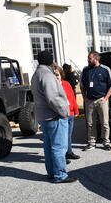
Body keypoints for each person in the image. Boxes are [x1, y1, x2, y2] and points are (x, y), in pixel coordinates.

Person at [31, 51, 77, 184]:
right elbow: (53, 98)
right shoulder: (47, 75)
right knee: (59, 147)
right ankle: (60, 175)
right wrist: (64, 111)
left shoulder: (36, 74)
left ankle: (52, 173)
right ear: (51, 61)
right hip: (54, 116)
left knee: (49, 146)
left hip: (44, 116)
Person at [80, 51, 111, 151]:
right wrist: (84, 97)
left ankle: (106, 142)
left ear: (96, 59)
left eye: (89, 58)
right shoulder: (85, 70)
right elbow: (82, 85)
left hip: (101, 100)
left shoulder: (105, 69)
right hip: (89, 101)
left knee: (105, 123)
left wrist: (106, 98)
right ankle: (91, 143)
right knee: (90, 124)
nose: (88, 60)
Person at [54, 65, 81, 161]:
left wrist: (76, 110)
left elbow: (72, 98)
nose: (56, 76)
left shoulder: (66, 84)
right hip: (62, 114)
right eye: (54, 75)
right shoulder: (53, 87)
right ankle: (63, 155)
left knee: (68, 135)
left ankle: (69, 152)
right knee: (62, 137)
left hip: (71, 114)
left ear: (61, 74)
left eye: (57, 74)